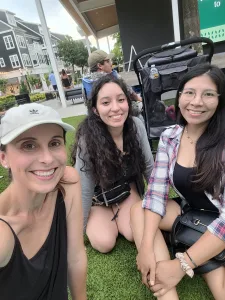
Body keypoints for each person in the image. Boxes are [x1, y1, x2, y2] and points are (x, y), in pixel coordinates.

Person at [130, 64, 225, 300]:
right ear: (179, 96)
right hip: (192, 215)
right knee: (138, 210)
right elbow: (156, 193)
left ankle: (191, 260)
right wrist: (145, 249)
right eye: (190, 92)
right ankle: (167, 293)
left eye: (208, 94)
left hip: (220, 225)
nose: (197, 102)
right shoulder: (170, 136)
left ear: (220, 100)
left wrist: (180, 265)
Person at [0, 103, 87, 299]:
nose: (47, 159)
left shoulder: (68, 183)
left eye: (54, 143)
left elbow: (75, 257)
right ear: (4, 158)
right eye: (28, 146)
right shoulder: (3, 234)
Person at [72, 75, 154, 253]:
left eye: (121, 100)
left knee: (134, 233)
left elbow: (149, 168)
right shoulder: (87, 138)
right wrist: (77, 238)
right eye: (106, 102)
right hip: (97, 198)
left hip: (125, 189)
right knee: (104, 243)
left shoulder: (136, 125)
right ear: (95, 109)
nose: (115, 108)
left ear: (128, 102)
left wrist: (159, 204)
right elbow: (84, 188)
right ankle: (106, 217)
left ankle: (122, 215)